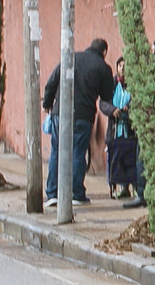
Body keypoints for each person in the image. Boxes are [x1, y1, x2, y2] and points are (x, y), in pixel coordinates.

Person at [42, 39, 115, 209]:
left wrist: (47, 104)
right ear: (104, 52)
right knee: (78, 153)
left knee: (56, 151)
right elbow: (107, 96)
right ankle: (76, 193)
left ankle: (52, 194)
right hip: (83, 115)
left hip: (60, 112)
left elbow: (51, 82)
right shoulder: (102, 67)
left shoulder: (70, 57)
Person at [102, 59, 145, 208]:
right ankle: (119, 187)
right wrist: (112, 110)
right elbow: (103, 103)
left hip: (130, 129)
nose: (123, 69)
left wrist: (129, 108)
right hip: (114, 129)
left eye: (125, 66)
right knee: (116, 159)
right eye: (120, 66)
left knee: (131, 159)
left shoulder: (135, 84)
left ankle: (133, 186)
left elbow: (139, 101)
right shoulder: (111, 84)